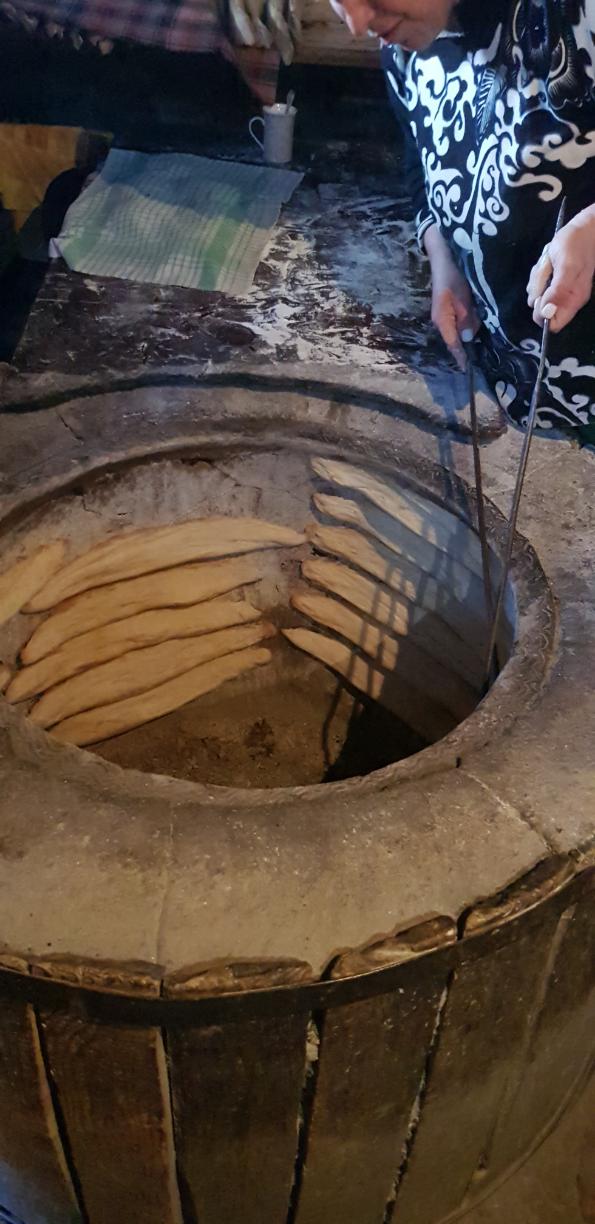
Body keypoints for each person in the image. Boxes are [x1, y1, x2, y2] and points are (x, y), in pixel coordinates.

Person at [331, 0, 595, 443]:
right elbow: (420, 154)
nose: (357, 23)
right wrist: (444, 258)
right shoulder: (405, 41)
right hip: (511, 382)